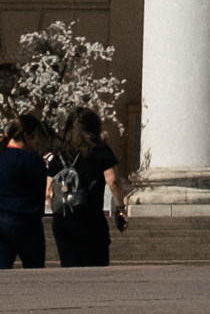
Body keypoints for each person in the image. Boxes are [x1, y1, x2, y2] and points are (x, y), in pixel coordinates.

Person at [48, 109, 121, 266]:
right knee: (96, 269)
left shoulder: (59, 155)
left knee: (69, 268)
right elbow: (113, 180)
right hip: (91, 220)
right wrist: (120, 208)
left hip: (64, 222)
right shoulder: (101, 151)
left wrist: (60, 208)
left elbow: (48, 191)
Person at [0, 115, 49, 269]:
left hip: (2, 218)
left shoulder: (3, 157)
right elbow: (40, 193)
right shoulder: (34, 161)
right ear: (26, 136)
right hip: (28, 221)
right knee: (34, 269)